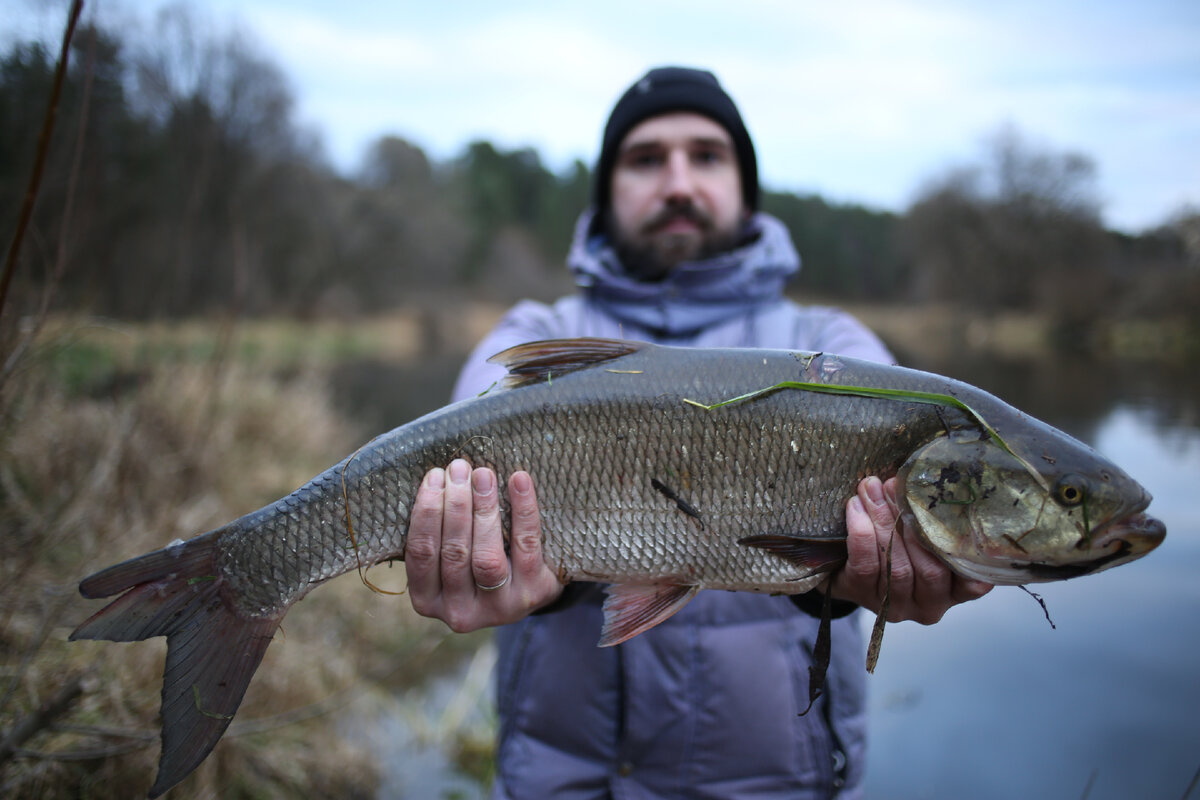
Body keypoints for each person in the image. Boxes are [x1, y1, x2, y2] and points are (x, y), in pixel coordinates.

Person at [404, 66, 992, 799]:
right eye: (647, 158)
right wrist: (489, 557)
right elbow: (455, 460)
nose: (678, 181)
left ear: (745, 187)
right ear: (607, 188)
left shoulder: (834, 347)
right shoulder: (538, 333)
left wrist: (852, 580)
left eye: (707, 155)